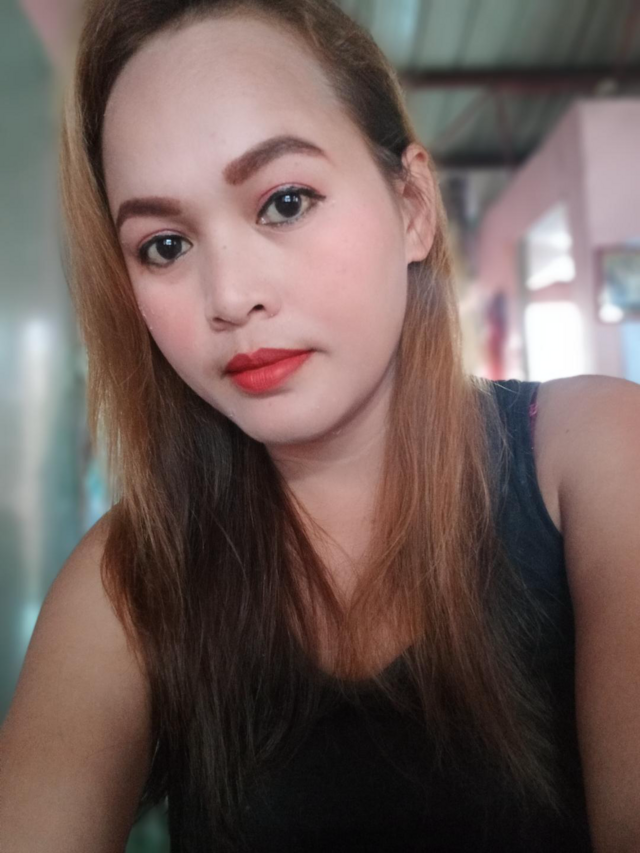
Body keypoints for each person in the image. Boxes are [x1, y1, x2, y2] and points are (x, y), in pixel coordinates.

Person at [1, 0, 639, 850]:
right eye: (165, 246)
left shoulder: (595, 453)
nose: (231, 297)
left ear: (412, 205)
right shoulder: (127, 579)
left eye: (285, 201)